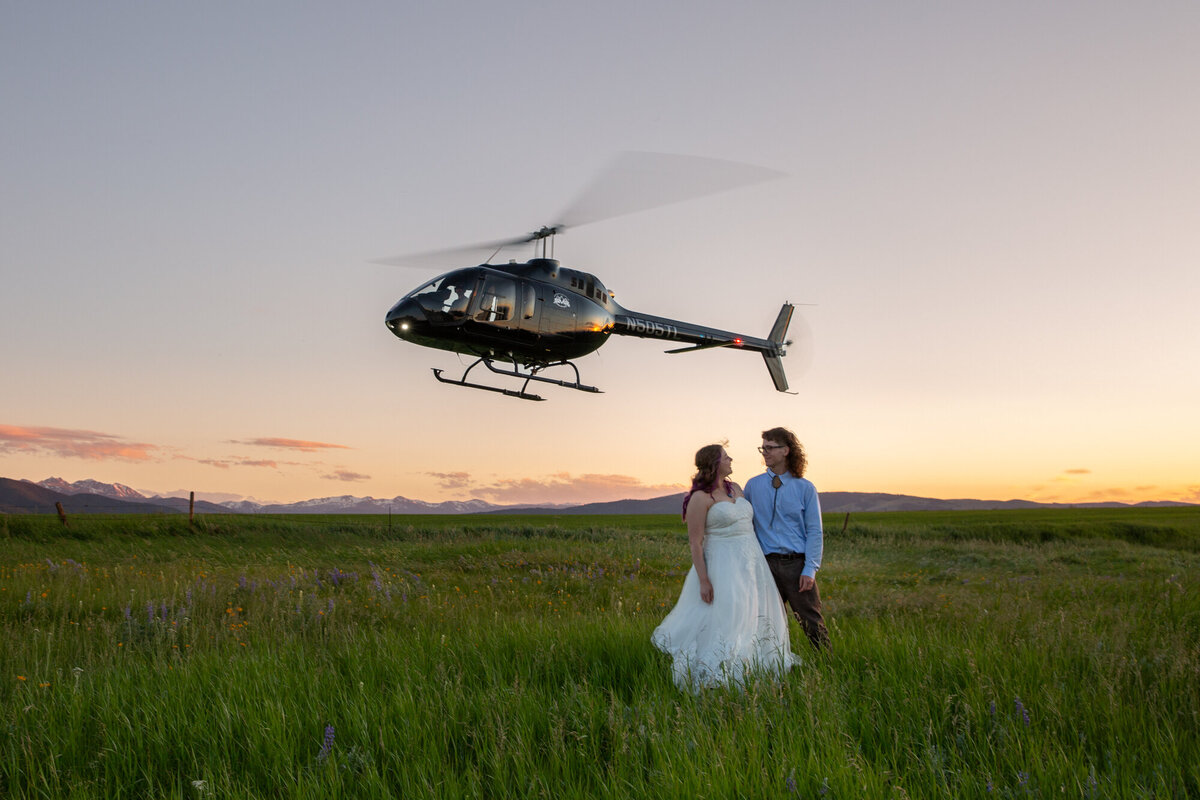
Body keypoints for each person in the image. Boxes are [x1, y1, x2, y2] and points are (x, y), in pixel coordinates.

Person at [651, 444, 798, 692]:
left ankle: (754, 658)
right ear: (715, 463)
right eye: (726, 456)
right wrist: (704, 580)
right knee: (730, 613)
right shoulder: (700, 498)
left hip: (751, 563)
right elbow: (695, 543)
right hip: (722, 564)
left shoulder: (737, 488)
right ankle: (723, 664)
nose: (731, 459)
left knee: (752, 610)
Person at [743, 426, 831, 651]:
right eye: (762, 448)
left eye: (770, 447)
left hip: (797, 564)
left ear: (786, 451)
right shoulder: (753, 486)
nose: (765, 452)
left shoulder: (805, 488)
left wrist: (810, 569)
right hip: (765, 564)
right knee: (765, 621)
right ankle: (770, 668)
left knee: (811, 622)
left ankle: (828, 666)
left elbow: (815, 531)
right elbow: (748, 526)